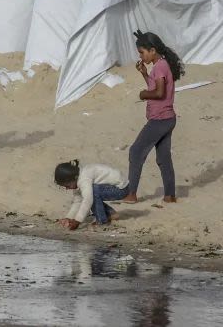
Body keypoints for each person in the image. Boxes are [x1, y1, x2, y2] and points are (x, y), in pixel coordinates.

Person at [121, 31, 181, 205]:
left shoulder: (161, 66)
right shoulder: (160, 66)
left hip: (160, 120)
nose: (140, 56)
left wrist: (143, 94)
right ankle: (169, 196)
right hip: (168, 119)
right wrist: (145, 74)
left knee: (136, 151)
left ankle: (131, 193)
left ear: (152, 50)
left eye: (142, 52)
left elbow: (159, 92)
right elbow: (156, 85)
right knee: (163, 158)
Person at [55, 159, 128, 230]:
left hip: (121, 189)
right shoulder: (78, 178)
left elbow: (88, 200)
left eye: (68, 186)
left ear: (75, 178)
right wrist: (69, 217)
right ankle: (111, 214)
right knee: (92, 192)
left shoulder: (84, 179)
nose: (67, 189)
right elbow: (78, 201)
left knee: (92, 193)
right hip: (113, 186)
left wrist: (77, 221)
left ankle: (102, 222)